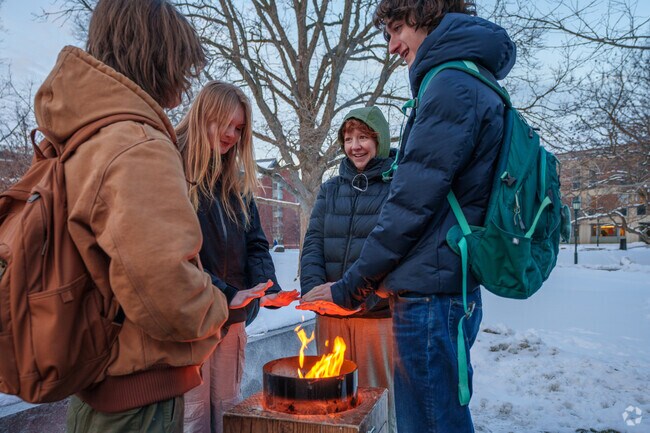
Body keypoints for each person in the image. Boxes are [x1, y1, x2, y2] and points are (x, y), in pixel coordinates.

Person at [302, 1, 516, 432]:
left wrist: (350, 287)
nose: (392, 45)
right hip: (441, 286)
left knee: (430, 422)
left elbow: (408, 209)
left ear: (429, 15)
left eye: (398, 28)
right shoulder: (468, 79)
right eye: (387, 33)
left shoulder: (449, 84)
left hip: (431, 294)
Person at [34, 1, 230, 432]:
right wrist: (221, 307)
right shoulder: (137, 143)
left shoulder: (85, 132)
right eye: (181, 65)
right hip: (138, 402)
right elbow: (165, 289)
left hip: (97, 388)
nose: (182, 85)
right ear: (160, 56)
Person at [177, 81, 300, 433]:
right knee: (193, 419)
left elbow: (256, 243)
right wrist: (225, 293)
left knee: (227, 412)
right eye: (225, 124)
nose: (232, 134)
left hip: (232, 321)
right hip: (191, 324)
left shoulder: (235, 180)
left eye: (240, 128)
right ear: (204, 116)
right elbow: (175, 254)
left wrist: (268, 287)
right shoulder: (171, 167)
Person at [298, 106, 397, 433]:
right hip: (331, 314)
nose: (355, 145)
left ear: (379, 141)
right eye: (349, 138)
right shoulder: (330, 189)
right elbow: (313, 240)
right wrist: (315, 292)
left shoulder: (397, 186)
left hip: (376, 314)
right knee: (333, 396)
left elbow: (396, 249)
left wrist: (362, 298)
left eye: (364, 137)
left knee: (375, 396)